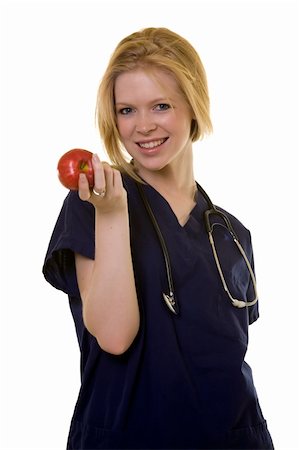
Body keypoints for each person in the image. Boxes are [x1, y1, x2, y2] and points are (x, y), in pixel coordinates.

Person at [43, 27, 274, 450]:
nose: (143, 126)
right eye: (127, 110)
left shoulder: (233, 234)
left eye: (161, 105)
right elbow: (114, 337)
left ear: (193, 105)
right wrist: (113, 215)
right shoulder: (93, 203)